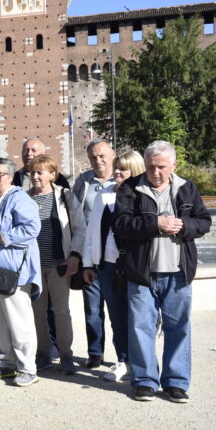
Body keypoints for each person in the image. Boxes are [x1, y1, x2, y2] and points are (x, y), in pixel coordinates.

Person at [113, 141, 211, 403]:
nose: (155, 172)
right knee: (140, 328)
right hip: (141, 273)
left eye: (161, 167)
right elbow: (120, 225)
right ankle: (145, 381)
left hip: (178, 273)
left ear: (174, 165)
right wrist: (154, 224)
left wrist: (184, 225)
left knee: (178, 328)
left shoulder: (187, 188)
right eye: (151, 167)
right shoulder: (131, 189)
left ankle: (176, 382)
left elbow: (204, 222)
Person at [81, 150, 145, 383]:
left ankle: (142, 364)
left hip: (134, 265)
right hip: (107, 264)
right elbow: (91, 232)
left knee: (139, 316)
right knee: (116, 316)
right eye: (116, 167)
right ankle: (123, 360)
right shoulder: (104, 194)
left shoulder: (142, 195)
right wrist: (89, 264)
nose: (116, 172)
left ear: (135, 171)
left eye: (123, 169)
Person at [0, 158, 42, 388]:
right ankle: (5, 362)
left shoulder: (20, 198)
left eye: (0, 174)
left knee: (19, 321)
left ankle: (28, 368)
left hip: (14, 270)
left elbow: (31, 229)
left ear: (11, 177)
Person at [26, 155, 86, 375]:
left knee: (61, 312)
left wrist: (75, 256)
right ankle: (43, 354)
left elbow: (80, 227)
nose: (35, 176)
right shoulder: (25, 198)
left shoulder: (65, 197)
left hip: (60, 264)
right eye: (33, 172)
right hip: (33, 267)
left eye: (40, 172)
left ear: (52, 174)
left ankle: (66, 355)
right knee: (37, 312)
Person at [72, 140, 117, 369]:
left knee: (118, 309)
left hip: (114, 256)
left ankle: (123, 355)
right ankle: (95, 352)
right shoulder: (84, 181)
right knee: (92, 309)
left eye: (102, 155)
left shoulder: (121, 180)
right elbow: (74, 213)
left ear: (112, 154)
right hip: (89, 254)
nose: (98, 161)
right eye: (93, 157)